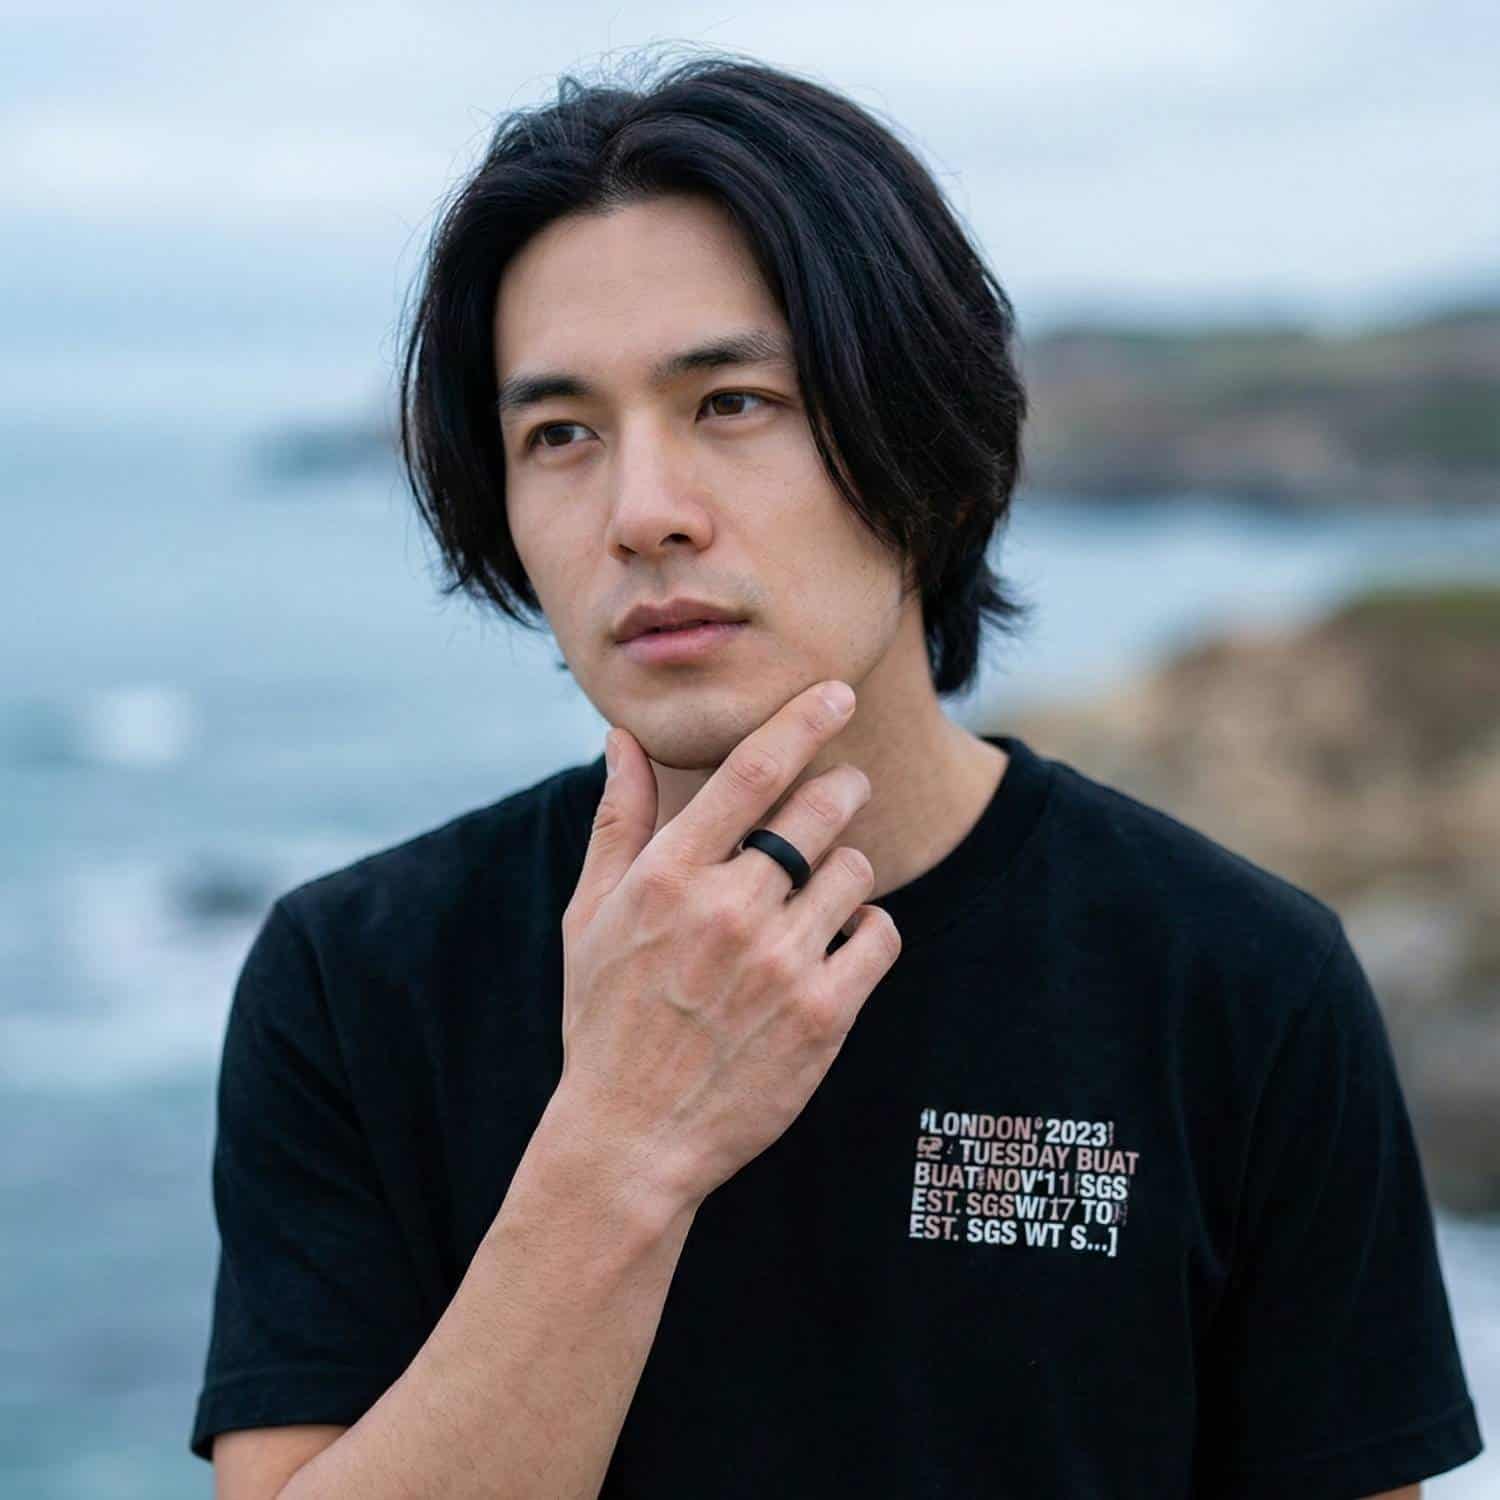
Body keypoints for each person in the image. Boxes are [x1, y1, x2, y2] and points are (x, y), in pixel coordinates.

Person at [189, 49, 1484, 1500]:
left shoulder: (1240, 982)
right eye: (560, 434)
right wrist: (619, 1144)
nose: (643, 514)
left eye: (733, 401)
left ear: (922, 442)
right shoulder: (355, 978)